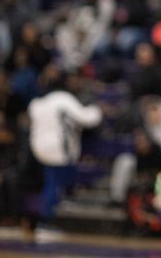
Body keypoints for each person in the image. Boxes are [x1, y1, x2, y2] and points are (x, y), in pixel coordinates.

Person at [28, 69, 102, 226]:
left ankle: (51, 215)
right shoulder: (63, 98)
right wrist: (97, 109)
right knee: (53, 184)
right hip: (57, 148)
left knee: (52, 181)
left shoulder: (37, 102)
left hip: (38, 148)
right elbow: (87, 118)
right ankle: (46, 221)